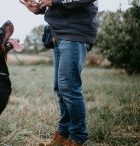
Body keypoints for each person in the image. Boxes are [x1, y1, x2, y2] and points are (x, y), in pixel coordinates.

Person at [20, 0, 98, 145]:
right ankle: (64, 133)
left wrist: (54, 1)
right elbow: (57, 5)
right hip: (58, 33)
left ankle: (77, 137)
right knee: (60, 88)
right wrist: (40, 8)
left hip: (75, 32)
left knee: (69, 87)